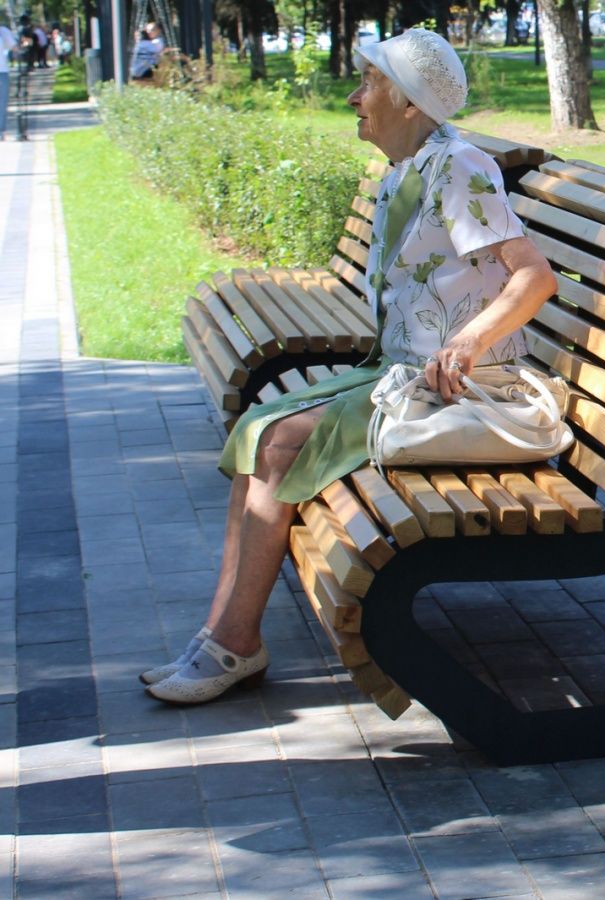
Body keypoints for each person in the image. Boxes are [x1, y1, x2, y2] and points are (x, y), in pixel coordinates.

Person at [142, 28, 557, 705]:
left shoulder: (460, 167)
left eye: (369, 83)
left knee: (279, 443)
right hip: (407, 376)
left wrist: (469, 343)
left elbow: (534, 277)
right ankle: (220, 635)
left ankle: (234, 643)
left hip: (465, 389)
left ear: (410, 103)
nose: (354, 97)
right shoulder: (410, 168)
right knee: (258, 428)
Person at [0, 20, 17, 141]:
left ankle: (1, 131)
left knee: (2, 102)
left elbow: (14, 47)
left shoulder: (3, 31)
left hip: (2, 71)